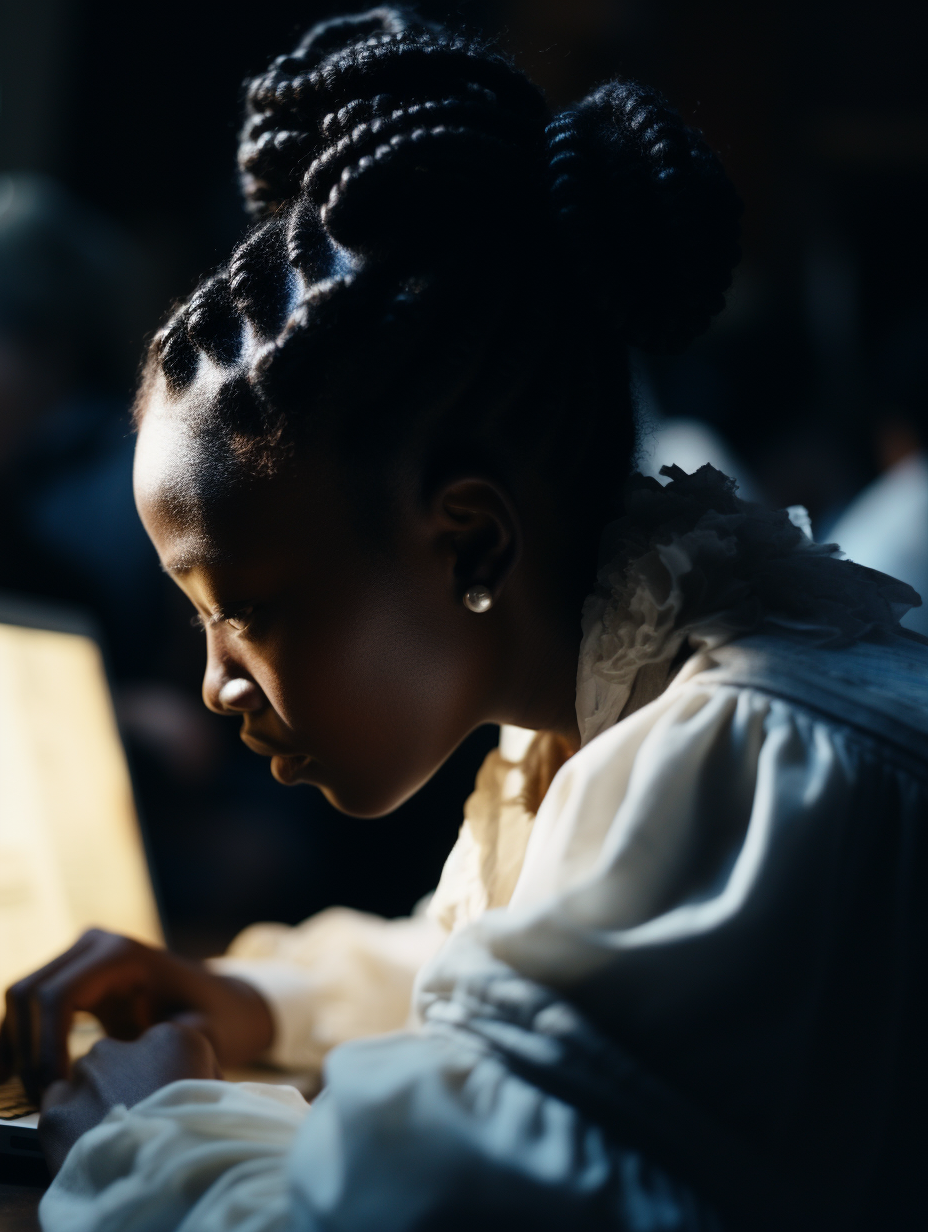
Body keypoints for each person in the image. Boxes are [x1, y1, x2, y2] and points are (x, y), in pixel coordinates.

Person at [2, 9, 927, 1229]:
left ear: (473, 539)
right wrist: (251, 998)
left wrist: (139, 1134)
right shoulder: (609, 700)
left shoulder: (753, 761)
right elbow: (519, 996)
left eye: (251, 610)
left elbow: (445, 1205)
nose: (219, 679)